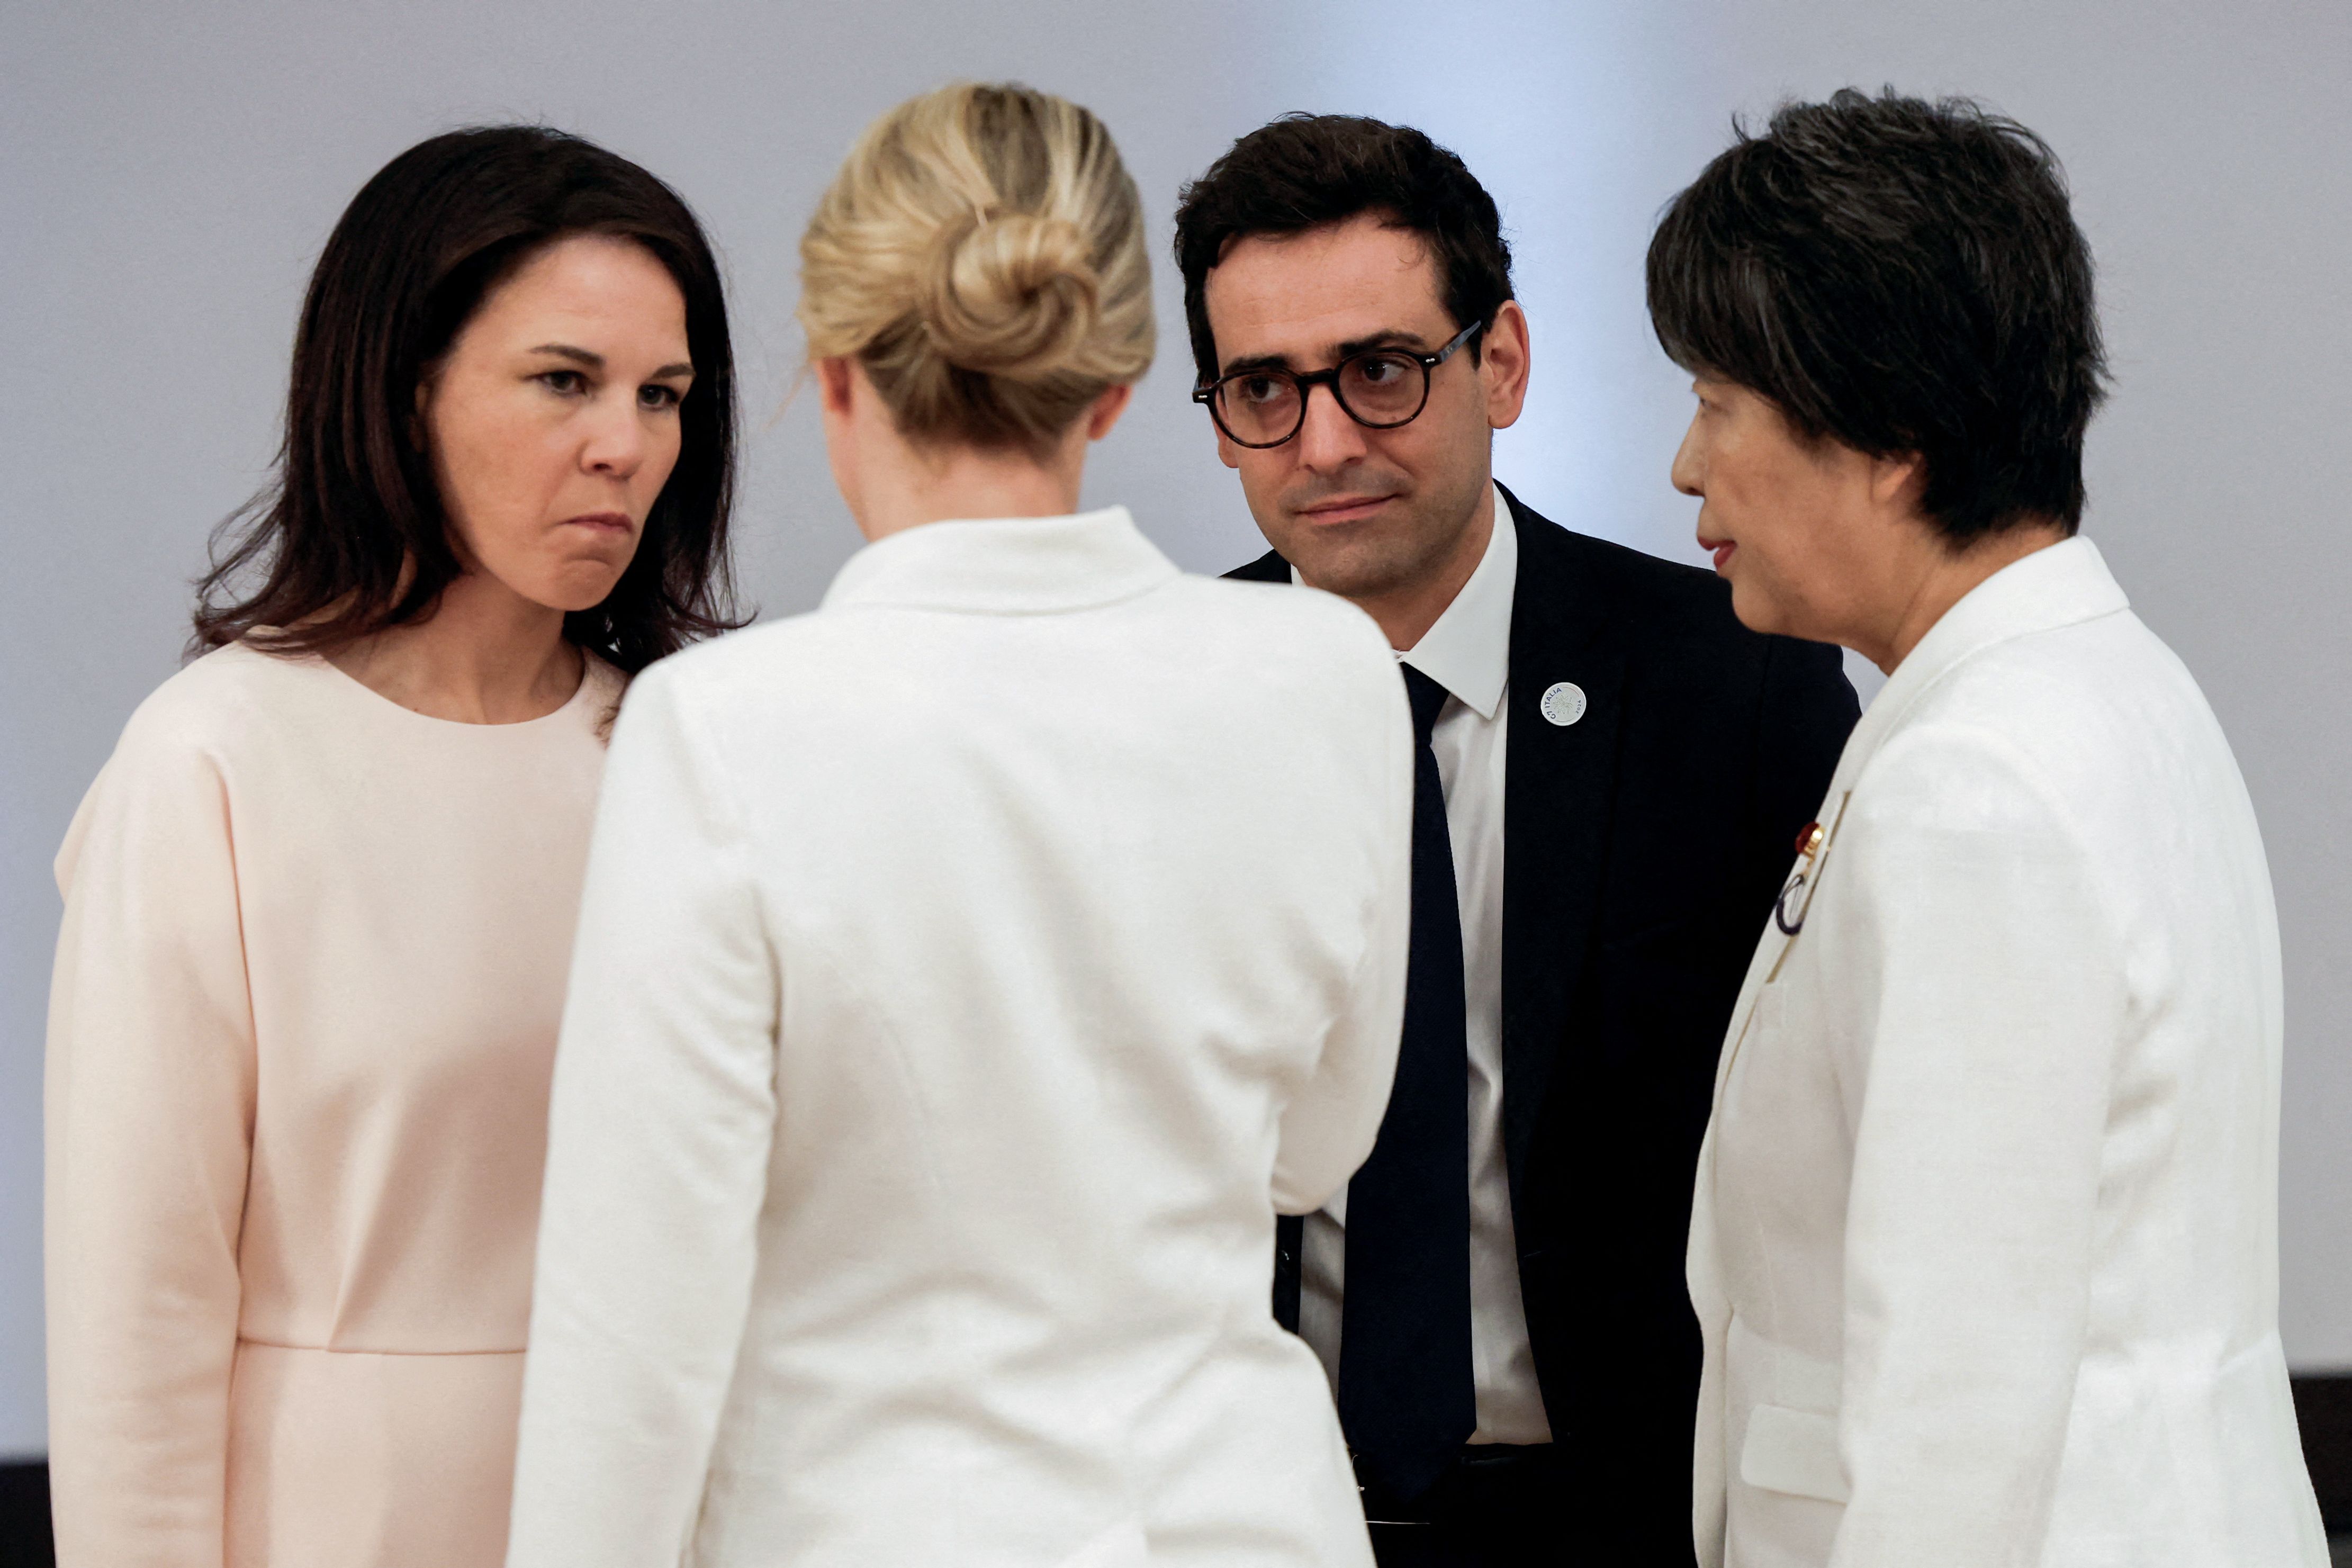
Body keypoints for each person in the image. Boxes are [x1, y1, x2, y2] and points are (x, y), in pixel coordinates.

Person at [502, 83, 1412, 1568]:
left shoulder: (724, 728)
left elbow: (637, 1317)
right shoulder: (1324, 670)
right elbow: (1312, 1149)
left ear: (835, 373)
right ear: (1115, 387)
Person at [1652, 89, 2331, 1568]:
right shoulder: (2089, 686)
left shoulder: (1980, 783)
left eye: (1714, 399)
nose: (1685, 469)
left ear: (1887, 436)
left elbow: (1952, 1404)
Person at [43, 126, 740, 1567]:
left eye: (661, 393)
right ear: (402, 390)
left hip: (670, 1512)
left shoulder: (695, 755)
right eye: (564, 379)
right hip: (331, 1525)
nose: (625, 441)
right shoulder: (213, 760)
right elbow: (134, 1322)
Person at [1173, 115, 1860, 1565]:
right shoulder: (1141, 710)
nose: (1325, 442)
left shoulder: (1728, 682)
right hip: (1249, 1516)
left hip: (1620, 1510)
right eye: (1259, 390)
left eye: (1378, 370)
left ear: (1501, 363)